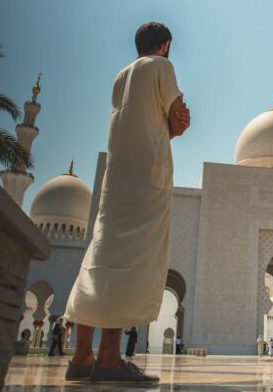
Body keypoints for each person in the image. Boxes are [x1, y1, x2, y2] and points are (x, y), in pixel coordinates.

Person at [63, 22, 191, 382]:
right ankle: (108, 359)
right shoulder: (162, 67)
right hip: (146, 177)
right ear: (165, 45)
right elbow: (177, 120)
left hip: (116, 178)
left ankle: (81, 356)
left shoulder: (121, 77)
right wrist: (180, 121)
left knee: (101, 257)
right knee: (130, 260)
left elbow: (148, 117)